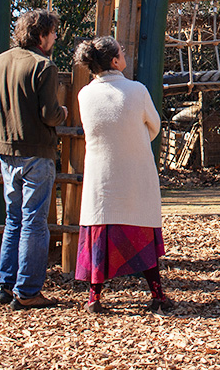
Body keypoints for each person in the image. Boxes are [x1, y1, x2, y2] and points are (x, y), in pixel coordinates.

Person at [72, 36, 172, 314]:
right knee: (140, 233)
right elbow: (154, 125)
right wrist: (135, 139)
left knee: (100, 238)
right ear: (115, 61)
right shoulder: (137, 91)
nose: (125, 52)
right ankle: (156, 294)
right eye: (122, 51)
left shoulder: (85, 95)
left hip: (100, 178)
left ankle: (94, 297)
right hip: (135, 174)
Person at [0, 9, 67, 310]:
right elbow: (49, 114)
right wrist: (64, 113)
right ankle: (28, 290)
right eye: (53, 32)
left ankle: (6, 285)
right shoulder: (44, 65)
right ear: (41, 35)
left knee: (14, 219)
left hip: (5, 152)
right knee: (34, 222)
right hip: (36, 153)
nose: (56, 37)